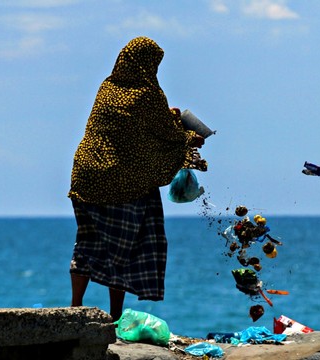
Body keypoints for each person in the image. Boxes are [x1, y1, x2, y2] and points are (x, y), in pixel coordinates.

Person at [67, 36, 206, 321]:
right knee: (123, 249)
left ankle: (75, 307)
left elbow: (131, 123)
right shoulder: (148, 94)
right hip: (120, 180)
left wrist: (168, 117)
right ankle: (115, 319)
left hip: (85, 177)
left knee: (88, 243)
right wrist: (192, 138)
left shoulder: (107, 87)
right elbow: (167, 134)